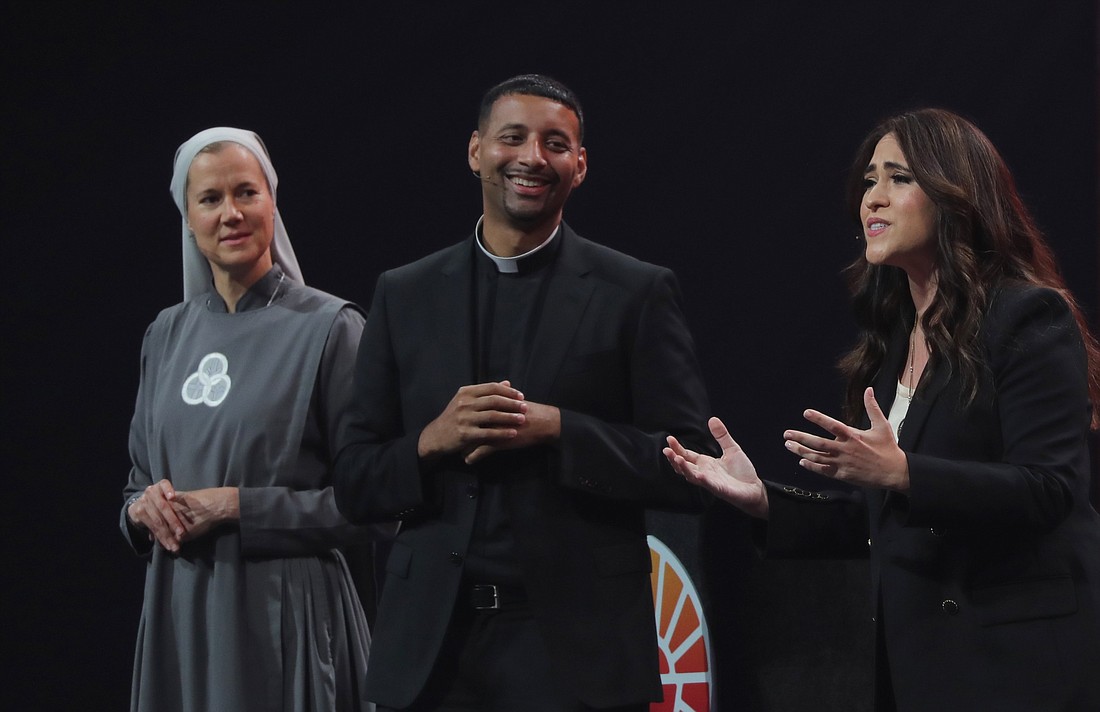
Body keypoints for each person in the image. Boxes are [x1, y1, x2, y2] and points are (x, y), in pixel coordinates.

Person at [665, 108, 1100, 711]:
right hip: (921, 665)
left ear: (956, 196)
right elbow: (890, 522)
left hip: (1013, 666)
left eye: (899, 178)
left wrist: (902, 472)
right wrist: (765, 501)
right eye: (869, 180)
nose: (873, 199)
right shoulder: (896, 338)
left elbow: (1051, 489)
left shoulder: (1027, 317)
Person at [333, 74, 715, 712]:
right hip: (435, 655)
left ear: (581, 165)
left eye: (556, 143)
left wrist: (562, 430)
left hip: (577, 655)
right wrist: (430, 442)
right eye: (513, 138)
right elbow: (352, 481)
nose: (533, 158)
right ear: (476, 150)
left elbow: (690, 467)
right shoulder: (405, 293)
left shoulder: (635, 291)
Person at [120, 127, 391, 712]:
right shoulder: (165, 335)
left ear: (273, 202)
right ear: (188, 219)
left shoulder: (331, 328)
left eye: (247, 192)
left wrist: (236, 507)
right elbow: (137, 481)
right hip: (182, 614)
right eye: (210, 199)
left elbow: (376, 503)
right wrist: (141, 510)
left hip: (287, 615)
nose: (231, 214)